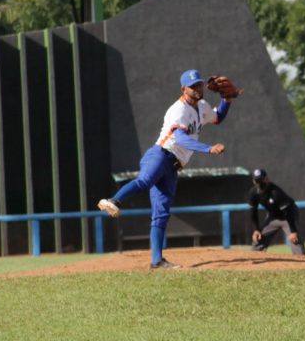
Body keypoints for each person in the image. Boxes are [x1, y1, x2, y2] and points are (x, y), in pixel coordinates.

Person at [97, 69, 238, 269]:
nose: (198, 88)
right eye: (193, 86)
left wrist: (227, 99)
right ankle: (112, 201)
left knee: (161, 214)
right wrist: (208, 149)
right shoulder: (178, 110)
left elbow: (217, 118)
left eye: (199, 84)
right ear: (184, 89)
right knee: (145, 180)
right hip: (160, 155)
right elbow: (180, 138)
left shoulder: (202, 106)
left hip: (173, 167)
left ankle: (157, 261)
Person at [248, 168, 305, 256]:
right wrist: (256, 229)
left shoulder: (275, 192)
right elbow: (253, 212)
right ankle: (254, 259)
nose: (260, 182)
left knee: (295, 240)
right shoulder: (253, 193)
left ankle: (302, 261)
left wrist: (293, 231)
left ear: (267, 178)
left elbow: (288, 211)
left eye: (261, 179)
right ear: (254, 181)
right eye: (257, 180)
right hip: (273, 217)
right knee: (258, 239)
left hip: (288, 216)